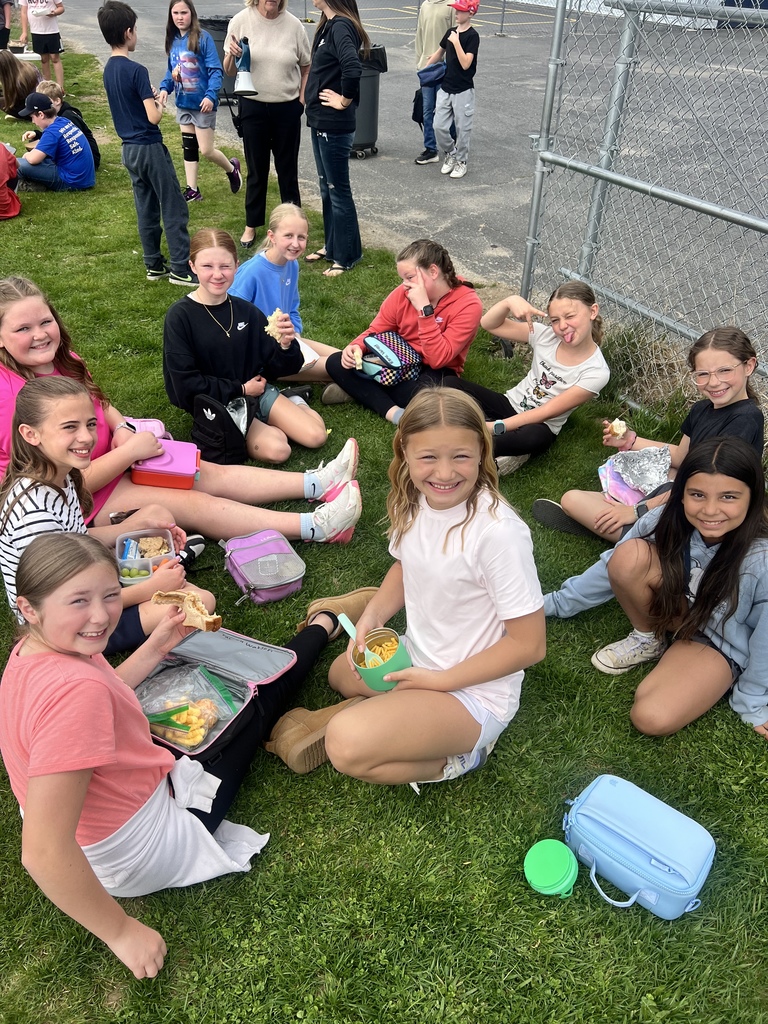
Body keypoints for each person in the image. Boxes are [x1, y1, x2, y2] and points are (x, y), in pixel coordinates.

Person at [0, 531, 375, 977]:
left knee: (206, 695)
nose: (100, 617)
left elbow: (107, 694)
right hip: (144, 847)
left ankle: (299, 714)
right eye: (78, 601)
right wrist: (121, 932)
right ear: (28, 607)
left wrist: (157, 648)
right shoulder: (75, 696)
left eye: (109, 595)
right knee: (255, 699)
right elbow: (42, 852)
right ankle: (325, 623)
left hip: (100, 828)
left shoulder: (31, 652)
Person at [270, 389, 546, 789]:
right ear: (405, 452)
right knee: (339, 675)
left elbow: (529, 646)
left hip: (471, 693)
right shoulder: (417, 498)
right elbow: (405, 565)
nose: (446, 473)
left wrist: (440, 682)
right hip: (418, 655)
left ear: (483, 452)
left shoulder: (499, 535)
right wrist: (373, 616)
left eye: (461, 456)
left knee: (344, 744)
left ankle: (461, 758)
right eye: (429, 457)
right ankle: (390, 716)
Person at [0, 276, 362, 544]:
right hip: (84, 496)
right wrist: (128, 453)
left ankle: (318, 482)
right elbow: (52, 484)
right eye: (23, 328)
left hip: (123, 457)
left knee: (208, 472)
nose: (40, 334)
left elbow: (99, 401)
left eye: (45, 322)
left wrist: (122, 426)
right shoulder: (9, 398)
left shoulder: (67, 361)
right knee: (193, 503)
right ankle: (317, 526)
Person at [545, 437, 768, 738]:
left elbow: (766, 637)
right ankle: (649, 638)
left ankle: (701, 665)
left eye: (729, 497)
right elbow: (613, 564)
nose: (710, 510)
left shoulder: (761, 557)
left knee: (651, 717)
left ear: (753, 497)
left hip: (719, 641)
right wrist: (556, 603)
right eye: (697, 494)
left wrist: (751, 699)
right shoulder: (664, 517)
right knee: (629, 555)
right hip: (679, 612)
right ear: (680, 493)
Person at [0, 377, 215, 654]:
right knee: (200, 602)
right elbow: (68, 600)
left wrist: (140, 526)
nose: (87, 437)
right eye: (69, 427)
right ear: (31, 434)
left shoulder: (59, 474)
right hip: (66, 623)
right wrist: (152, 588)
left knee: (156, 514)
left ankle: (168, 575)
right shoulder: (34, 513)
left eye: (90, 424)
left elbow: (77, 538)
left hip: (83, 579)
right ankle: (169, 585)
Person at [533, 326, 764, 543]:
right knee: (580, 496)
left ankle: (638, 538)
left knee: (575, 501)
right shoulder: (702, 409)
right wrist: (630, 441)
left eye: (724, 370)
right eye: (703, 374)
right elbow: (682, 457)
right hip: (682, 492)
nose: (714, 382)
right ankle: (619, 526)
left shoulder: (745, 418)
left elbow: (705, 488)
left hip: (705, 512)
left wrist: (636, 511)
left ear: (749, 366)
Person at [163, 228, 328, 463]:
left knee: (316, 436)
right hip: (219, 402)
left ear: (237, 266)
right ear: (192, 267)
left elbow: (278, 367)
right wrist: (240, 390)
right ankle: (270, 422)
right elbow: (184, 385)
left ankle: (294, 400)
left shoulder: (246, 311)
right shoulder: (180, 316)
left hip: (257, 392)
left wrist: (285, 345)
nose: (218, 275)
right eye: (207, 266)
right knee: (278, 450)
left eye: (225, 266)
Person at [443, 282, 610, 475]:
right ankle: (490, 448)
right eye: (555, 320)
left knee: (533, 438)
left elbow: (546, 411)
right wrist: (509, 302)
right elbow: (489, 324)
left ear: (593, 311)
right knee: (448, 384)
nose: (562, 326)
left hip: (540, 424)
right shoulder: (544, 336)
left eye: (570, 316)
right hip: (509, 404)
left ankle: (474, 444)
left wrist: (495, 427)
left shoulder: (597, 372)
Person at [323, 238, 482, 422]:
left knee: (428, 394)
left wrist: (425, 311)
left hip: (436, 369)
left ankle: (363, 390)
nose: (404, 285)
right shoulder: (402, 293)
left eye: (410, 277)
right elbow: (377, 329)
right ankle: (395, 413)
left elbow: (438, 359)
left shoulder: (468, 304)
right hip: (399, 358)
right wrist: (357, 347)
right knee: (336, 362)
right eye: (402, 279)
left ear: (433, 271)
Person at [97, 0, 195, 287]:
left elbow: (129, 105)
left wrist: (149, 99)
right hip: (150, 147)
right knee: (173, 205)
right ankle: (179, 267)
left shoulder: (109, 69)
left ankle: (153, 264)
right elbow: (153, 117)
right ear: (128, 32)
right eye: (136, 29)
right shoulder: (136, 70)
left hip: (128, 150)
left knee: (146, 207)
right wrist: (159, 102)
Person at [223, 0, 310, 249]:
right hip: (253, 106)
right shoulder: (240, 20)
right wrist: (231, 54)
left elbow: (306, 67)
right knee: (257, 169)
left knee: (287, 170)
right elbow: (229, 71)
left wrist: (301, 100)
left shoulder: (294, 26)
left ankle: (293, 226)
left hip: (287, 108)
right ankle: (252, 224)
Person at [229, 202, 341, 382]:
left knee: (343, 357)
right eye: (288, 236)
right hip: (263, 356)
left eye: (301, 237)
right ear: (271, 236)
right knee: (339, 366)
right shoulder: (253, 272)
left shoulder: (292, 264)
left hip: (285, 343)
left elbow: (292, 308)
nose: (295, 244)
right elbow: (230, 322)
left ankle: (344, 387)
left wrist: (295, 333)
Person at [303, 0, 370, 277]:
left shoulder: (341, 26)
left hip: (334, 125)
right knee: (327, 189)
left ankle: (345, 256)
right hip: (320, 121)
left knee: (338, 191)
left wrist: (344, 101)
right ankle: (333, 247)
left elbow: (352, 67)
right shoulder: (327, 24)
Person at [157, 0, 241, 204]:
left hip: (203, 104)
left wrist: (210, 96)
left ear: (191, 14)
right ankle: (192, 189)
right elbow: (171, 71)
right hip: (183, 103)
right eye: (175, 13)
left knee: (206, 150)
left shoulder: (203, 38)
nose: (179, 17)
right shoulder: (173, 39)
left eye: (183, 12)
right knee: (189, 148)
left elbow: (215, 70)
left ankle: (232, 168)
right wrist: (165, 87)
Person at [423, 0, 479, 180]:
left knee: (463, 129)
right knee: (438, 125)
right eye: (456, 10)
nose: (456, 14)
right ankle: (451, 153)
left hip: (463, 90)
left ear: (470, 13)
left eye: (460, 11)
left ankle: (461, 161)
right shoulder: (450, 32)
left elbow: (466, 63)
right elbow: (439, 53)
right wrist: (425, 68)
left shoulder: (472, 36)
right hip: (446, 88)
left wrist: (456, 42)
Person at [14, 91, 95, 191]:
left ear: (41, 114)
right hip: (84, 177)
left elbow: (33, 159)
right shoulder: (63, 121)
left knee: (16, 164)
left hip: (71, 181)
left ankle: (28, 185)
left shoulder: (52, 132)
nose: (33, 121)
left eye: (32, 117)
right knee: (38, 161)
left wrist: (26, 155)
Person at [21, 80, 101, 169]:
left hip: (87, 160)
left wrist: (32, 154)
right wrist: (37, 134)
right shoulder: (60, 117)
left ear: (57, 101)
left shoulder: (68, 117)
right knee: (35, 143)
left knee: (33, 161)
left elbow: (67, 140)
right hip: (79, 160)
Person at [413, 0, 455, 165]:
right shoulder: (425, 5)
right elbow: (420, 34)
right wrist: (419, 62)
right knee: (427, 109)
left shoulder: (451, 5)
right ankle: (431, 149)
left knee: (445, 109)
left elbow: (454, 36)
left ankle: (451, 143)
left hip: (445, 67)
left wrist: (452, 67)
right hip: (427, 68)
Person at [19, 0, 64, 91]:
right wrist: (24, 32)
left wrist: (54, 12)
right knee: (43, 59)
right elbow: (24, 12)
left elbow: (61, 8)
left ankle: (60, 88)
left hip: (52, 30)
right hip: (36, 31)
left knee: (55, 57)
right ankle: (47, 87)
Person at [0, 48, 41, 119]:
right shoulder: (28, 66)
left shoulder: (20, 81)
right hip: (41, 103)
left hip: (36, 110)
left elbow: (12, 100)